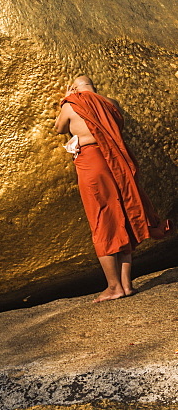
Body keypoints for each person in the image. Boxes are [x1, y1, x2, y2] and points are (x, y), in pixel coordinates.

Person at [54, 75, 171, 303]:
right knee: (124, 216)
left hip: (92, 163)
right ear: (94, 88)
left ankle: (113, 286)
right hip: (116, 162)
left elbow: (59, 128)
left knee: (101, 219)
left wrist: (68, 98)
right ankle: (127, 285)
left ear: (76, 88)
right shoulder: (111, 103)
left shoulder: (72, 104)